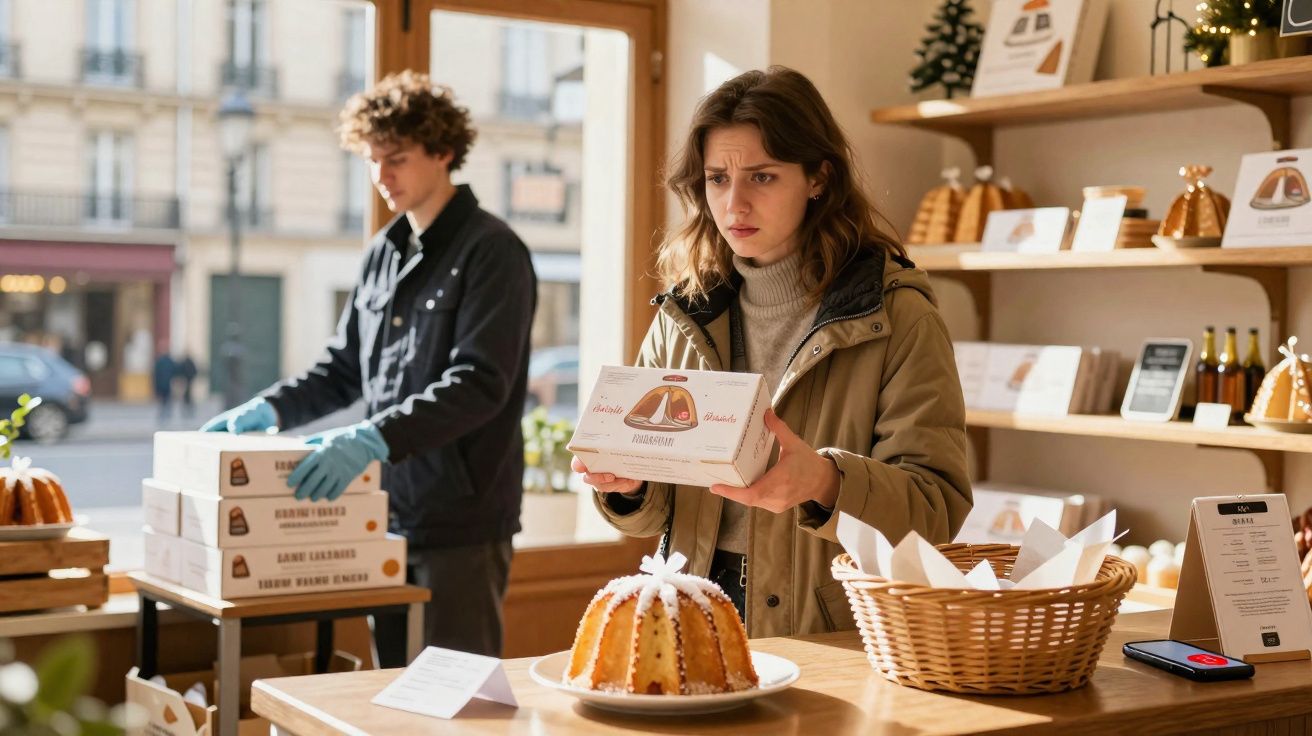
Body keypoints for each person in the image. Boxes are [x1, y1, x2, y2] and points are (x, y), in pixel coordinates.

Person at [573, 67, 972, 638]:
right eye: (716, 178)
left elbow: (937, 513)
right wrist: (630, 484)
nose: (734, 203)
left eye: (761, 177)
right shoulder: (683, 314)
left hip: (830, 629)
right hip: (689, 610)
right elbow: (656, 513)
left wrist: (825, 482)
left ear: (817, 179)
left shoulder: (898, 315)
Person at [200, 71, 537, 661]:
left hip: (462, 522)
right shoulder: (383, 253)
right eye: (373, 161)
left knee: (455, 701)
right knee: (390, 691)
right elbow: (344, 369)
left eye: (398, 159)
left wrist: (370, 437)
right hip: (386, 512)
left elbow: (480, 383)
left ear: (443, 152)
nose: (382, 177)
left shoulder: (493, 250)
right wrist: (271, 409)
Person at [152, 351, 176, 421]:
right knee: (167, 399)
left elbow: (155, 375)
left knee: (163, 400)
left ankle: (163, 413)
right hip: (167, 384)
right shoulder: (168, 362)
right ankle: (166, 413)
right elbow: (174, 370)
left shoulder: (159, 362)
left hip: (162, 384)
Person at [176, 354, 198, 418]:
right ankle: (189, 409)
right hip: (188, 381)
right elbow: (195, 371)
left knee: (186, 395)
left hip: (185, 381)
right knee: (188, 395)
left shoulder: (184, 363)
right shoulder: (190, 362)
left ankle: (187, 409)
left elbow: (180, 371)